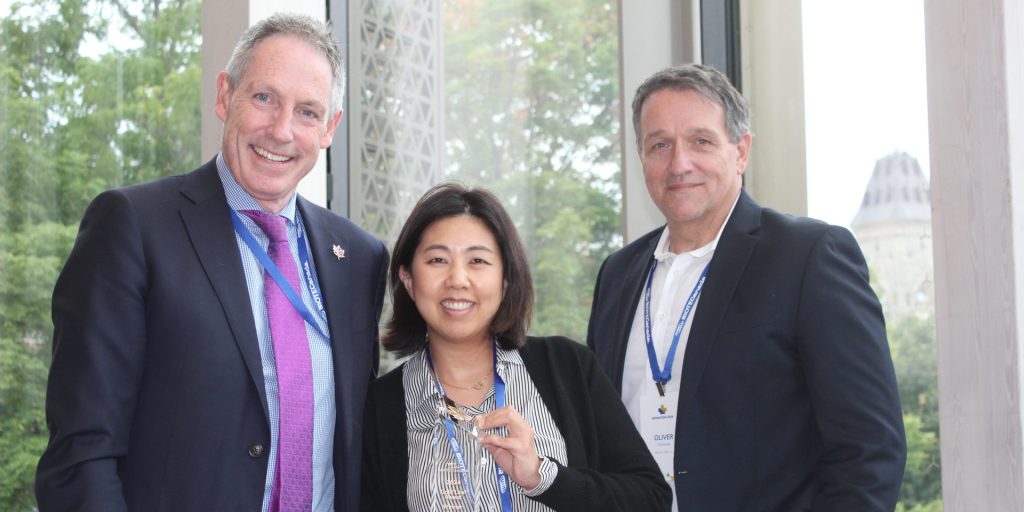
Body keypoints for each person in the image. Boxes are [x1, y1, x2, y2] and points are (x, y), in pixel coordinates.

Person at [34, 13, 388, 512]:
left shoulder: (359, 258)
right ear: (226, 96)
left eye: (307, 112)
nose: (281, 130)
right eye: (264, 98)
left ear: (330, 128)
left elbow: (358, 448)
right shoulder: (133, 227)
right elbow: (81, 456)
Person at [586, 64, 906, 511]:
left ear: (741, 151)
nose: (679, 164)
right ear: (641, 157)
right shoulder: (618, 274)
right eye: (660, 145)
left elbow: (869, 450)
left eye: (701, 141)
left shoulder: (807, 256)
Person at [360, 183, 671, 511]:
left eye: (477, 260)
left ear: (506, 280)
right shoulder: (380, 408)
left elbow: (650, 499)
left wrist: (542, 476)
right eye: (438, 260)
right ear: (408, 279)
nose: (458, 279)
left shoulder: (568, 367)